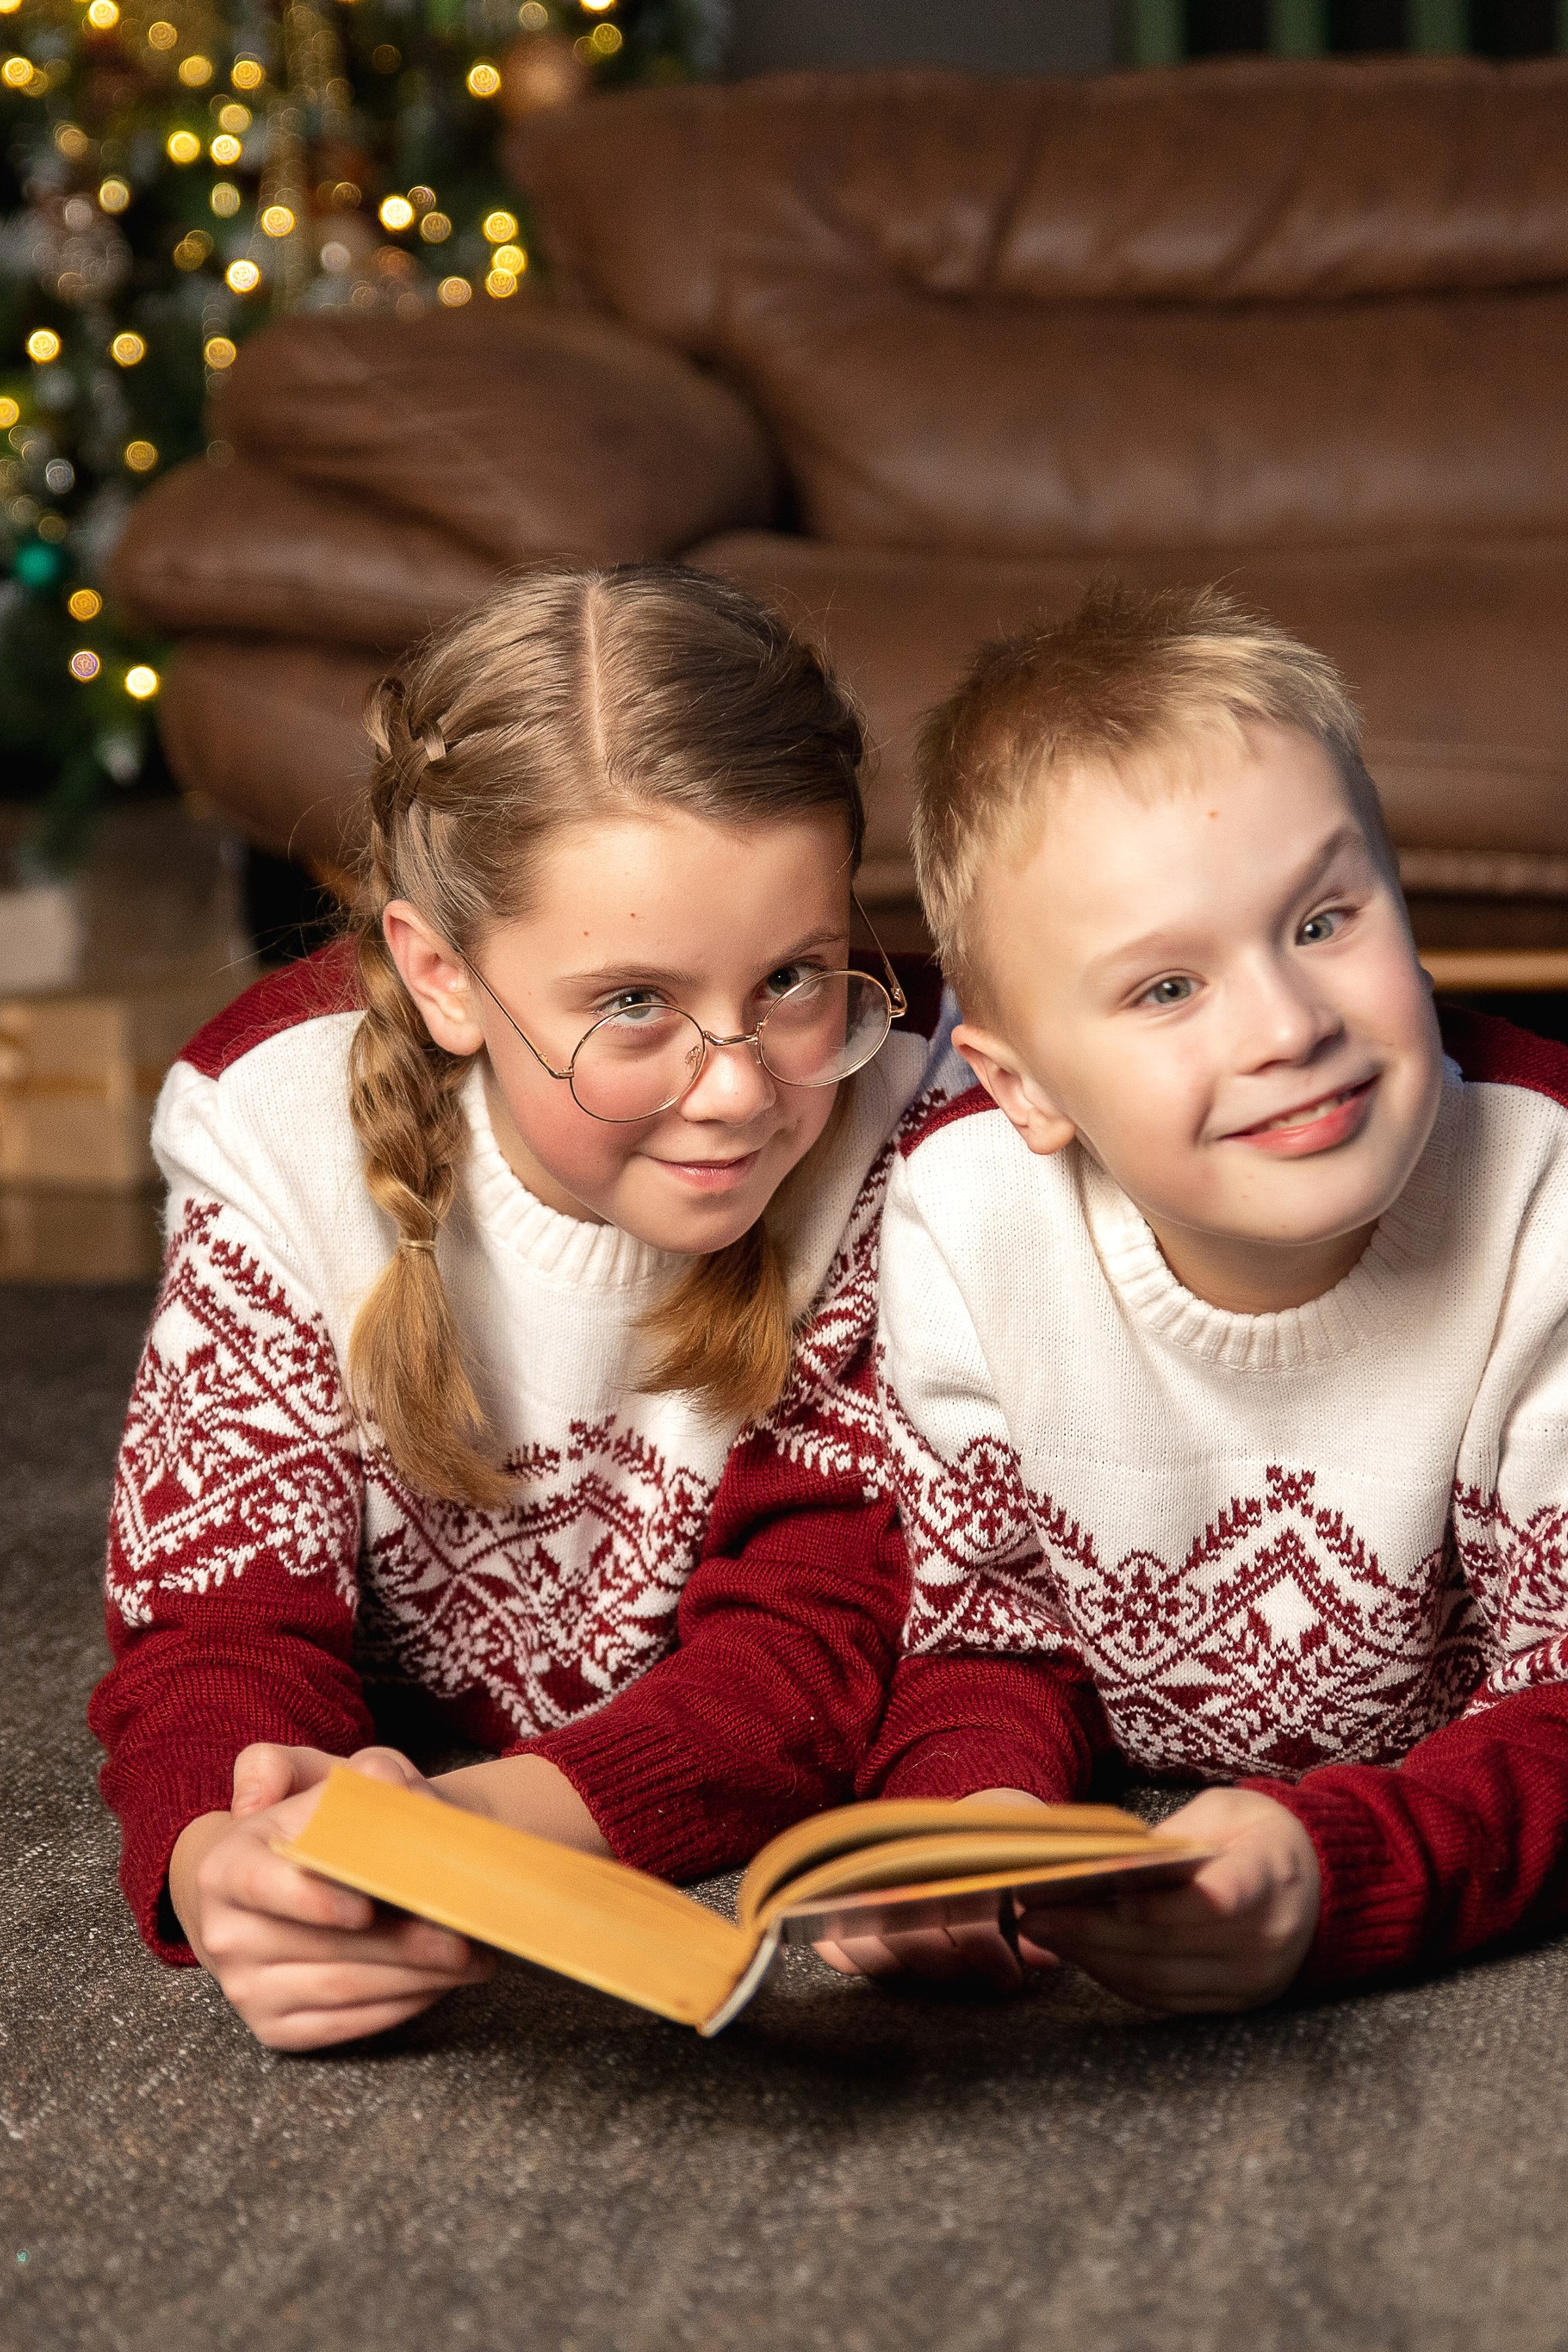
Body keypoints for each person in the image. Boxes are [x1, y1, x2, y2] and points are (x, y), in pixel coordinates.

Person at [91, 562, 948, 2050]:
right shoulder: (275, 1132)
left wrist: (446, 1840)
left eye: (795, 978)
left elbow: (803, 1659)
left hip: (485, 1795)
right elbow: (213, 1624)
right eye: (630, 1005)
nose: (738, 1088)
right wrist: (229, 1855)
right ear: (440, 977)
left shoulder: (898, 1117)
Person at [829, 582, 1568, 2011]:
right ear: (1022, 1087)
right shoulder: (965, 1219)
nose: (1289, 1028)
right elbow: (991, 1628)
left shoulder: (1541, 1209)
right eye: (1165, 990)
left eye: (1322, 920)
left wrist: (1333, 1866)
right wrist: (976, 1812)